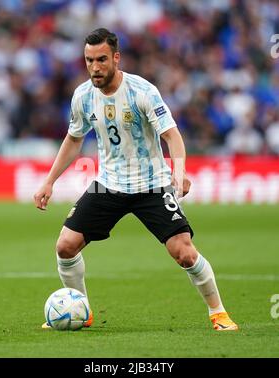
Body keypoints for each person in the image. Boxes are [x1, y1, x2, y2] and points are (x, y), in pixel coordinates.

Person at [34, 28, 238, 331]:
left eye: (101, 59)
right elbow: (74, 139)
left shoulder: (142, 91)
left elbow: (171, 134)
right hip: (109, 184)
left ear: (116, 57)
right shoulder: (83, 96)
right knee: (65, 246)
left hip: (151, 185)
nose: (95, 67)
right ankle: (82, 311)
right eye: (89, 60)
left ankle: (218, 312)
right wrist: (49, 181)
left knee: (183, 251)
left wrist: (178, 173)